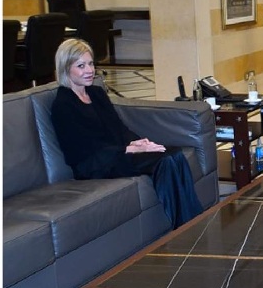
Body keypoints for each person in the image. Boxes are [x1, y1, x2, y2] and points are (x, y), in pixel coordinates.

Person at [50, 38, 203, 228]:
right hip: (94, 164)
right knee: (164, 160)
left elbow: (119, 128)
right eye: (81, 66)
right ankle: (185, 227)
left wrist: (138, 143)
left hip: (116, 154)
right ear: (66, 68)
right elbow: (85, 150)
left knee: (174, 153)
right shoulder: (63, 105)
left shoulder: (96, 93)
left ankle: (195, 219)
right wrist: (129, 150)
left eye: (91, 64)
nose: (89, 70)